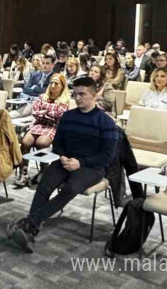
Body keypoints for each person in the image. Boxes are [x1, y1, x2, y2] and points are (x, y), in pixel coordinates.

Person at [6, 77, 118, 252]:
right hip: (66, 160)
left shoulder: (106, 122)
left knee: (70, 188)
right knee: (44, 184)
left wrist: (81, 163)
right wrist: (63, 155)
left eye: (83, 94)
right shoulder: (68, 116)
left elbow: (107, 156)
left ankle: (29, 223)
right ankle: (30, 230)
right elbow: (58, 143)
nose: (78, 98)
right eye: (75, 94)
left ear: (94, 95)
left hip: (91, 167)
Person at [13, 74, 71, 187]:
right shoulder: (42, 96)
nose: (53, 86)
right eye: (51, 83)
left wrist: (43, 112)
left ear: (62, 86)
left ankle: (44, 171)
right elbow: (35, 112)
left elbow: (60, 116)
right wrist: (47, 114)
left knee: (42, 143)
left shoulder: (65, 100)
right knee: (25, 142)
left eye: (56, 83)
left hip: (53, 126)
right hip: (38, 124)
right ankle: (24, 173)